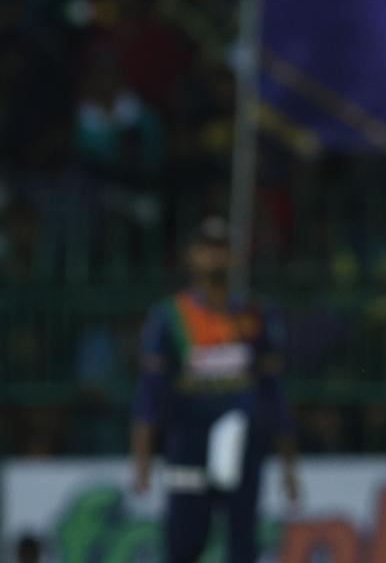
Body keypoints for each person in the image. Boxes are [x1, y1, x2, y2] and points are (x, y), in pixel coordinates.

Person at [131, 216, 300, 563]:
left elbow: (273, 392)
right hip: (189, 443)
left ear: (235, 257)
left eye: (222, 250)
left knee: (243, 542)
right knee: (184, 540)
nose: (214, 258)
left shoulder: (255, 314)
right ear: (191, 257)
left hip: (243, 444)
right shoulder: (170, 316)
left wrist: (288, 464)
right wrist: (142, 460)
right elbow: (149, 392)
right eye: (206, 249)